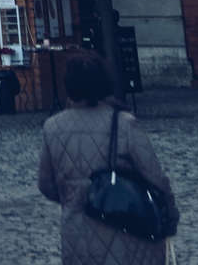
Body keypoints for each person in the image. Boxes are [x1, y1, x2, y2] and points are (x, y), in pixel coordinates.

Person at [38, 53, 178, 265]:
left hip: (77, 234)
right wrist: (170, 217)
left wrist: (74, 196)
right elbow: (156, 179)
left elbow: (46, 185)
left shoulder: (52, 127)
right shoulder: (123, 123)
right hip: (126, 230)